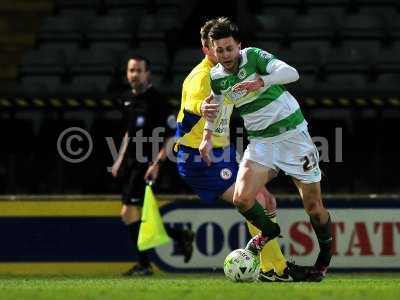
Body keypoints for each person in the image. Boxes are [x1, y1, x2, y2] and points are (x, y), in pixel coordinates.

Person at [175, 19, 311, 282]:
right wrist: (202, 114)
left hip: (222, 151)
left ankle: (275, 266)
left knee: (268, 202)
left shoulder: (228, 73)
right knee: (256, 202)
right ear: (207, 49)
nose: (221, 52)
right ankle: (275, 269)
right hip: (201, 158)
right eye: (214, 47)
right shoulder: (202, 78)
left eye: (226, 47)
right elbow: (189, 115)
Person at [200, 17, 333, 282]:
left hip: (294, 137)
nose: (225, 55)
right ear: (213, 50)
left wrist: (262, 81)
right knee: (242, 199)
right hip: (261, 143)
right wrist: (206, 135)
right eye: (219, 50)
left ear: (239, 45)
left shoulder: (253, 57)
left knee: (314, 207)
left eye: (229, 48)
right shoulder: (216, 77)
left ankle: (324, 258)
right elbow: (219, 108)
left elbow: (291, 73)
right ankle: (270, 232)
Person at [112, 55, 194, 276]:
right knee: (139, 214)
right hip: (132, 163)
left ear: (148, 74)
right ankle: (178, 236)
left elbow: (172, 136)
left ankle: (144, 265)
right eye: (131, 70)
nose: (134, 74)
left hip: (149, 162)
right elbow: (130, 132)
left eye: (139, 70)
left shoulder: (157, 100)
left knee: (128, 212)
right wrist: (119, 159)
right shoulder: (127, 98)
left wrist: (157, 164)